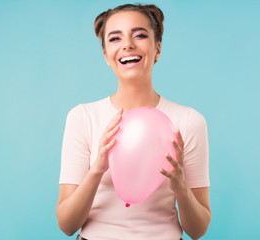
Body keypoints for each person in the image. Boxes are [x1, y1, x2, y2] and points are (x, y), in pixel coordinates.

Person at [56, 3, 211, 240]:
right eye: (115, 38)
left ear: (157, 49)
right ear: (106, 55)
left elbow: (198, 231)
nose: (128, 44)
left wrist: (181, 187)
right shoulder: (82, 117)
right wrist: (97, 169)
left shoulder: (189, 121)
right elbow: (66, 225)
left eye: (139, 35)